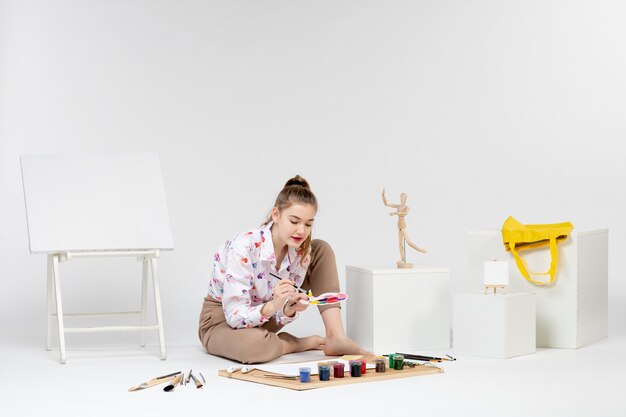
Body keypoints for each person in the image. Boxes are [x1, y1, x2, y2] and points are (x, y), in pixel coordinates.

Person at [198, 175, 371, 364]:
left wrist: (288, 309)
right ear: (276, 215)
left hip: (262, 319)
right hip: (223, 322)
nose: (301, 231)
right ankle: (291, 344)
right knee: (254, 346)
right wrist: (273, 305)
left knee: (321, 248)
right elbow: (234, 317)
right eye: (294, 221)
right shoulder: (244, 246)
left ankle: (336, 337)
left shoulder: (300, 252)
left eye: (308, 224)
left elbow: (279, 313)